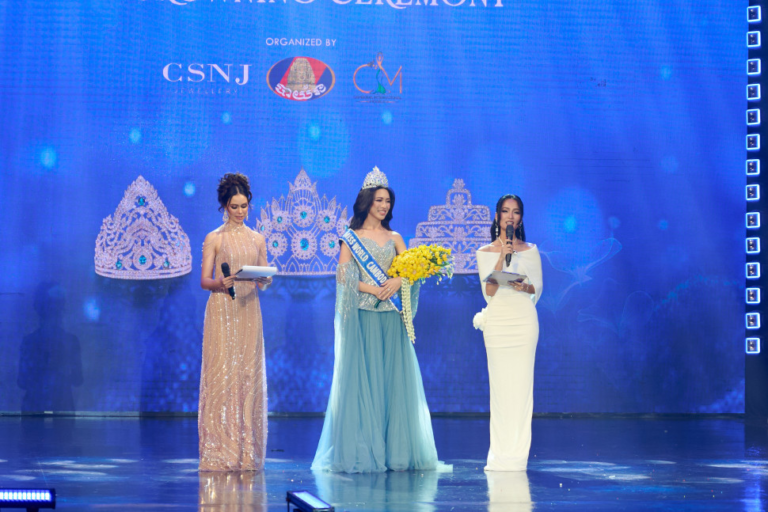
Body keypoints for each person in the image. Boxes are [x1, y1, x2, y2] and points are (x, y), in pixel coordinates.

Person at [312, 167, 441, 473]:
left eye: (388, 201)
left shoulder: (395, 237)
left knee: (393, 387)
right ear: (367, 201)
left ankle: (396, 453)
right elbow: (343, 279)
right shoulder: (350, 238)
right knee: (365, 385)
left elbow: (409, 273)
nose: (384, 205)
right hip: (364, 319)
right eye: (379, 200)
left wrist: (398, 282)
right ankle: (364, 451)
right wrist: (375, 289)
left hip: (391, 320)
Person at [198, 173, 272, 472]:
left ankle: (246, 453)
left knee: (246, 376)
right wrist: (220, 282)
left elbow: (264, 278)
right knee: (222, 374)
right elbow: (204, 281)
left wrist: (264, 278)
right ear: (224, 206)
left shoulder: (257, 239)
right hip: (222, 308)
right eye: (234, 206)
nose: (240, 211)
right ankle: (220, 452)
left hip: (249, 309)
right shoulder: (214, 238)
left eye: (244, 206)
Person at [475, 194, 542, 472]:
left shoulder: (531, 250)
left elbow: (536, 288)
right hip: (499, 323)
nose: (510, 216)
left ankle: (517, 456)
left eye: (515, 212)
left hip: (523, 322)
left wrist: (523, 286)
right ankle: (501, 453)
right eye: (505, 211)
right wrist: (503, 255)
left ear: (521, 218)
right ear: (497, 216)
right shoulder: (485, 252)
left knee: (521, 388)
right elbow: (489, 291)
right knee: (501, 390)